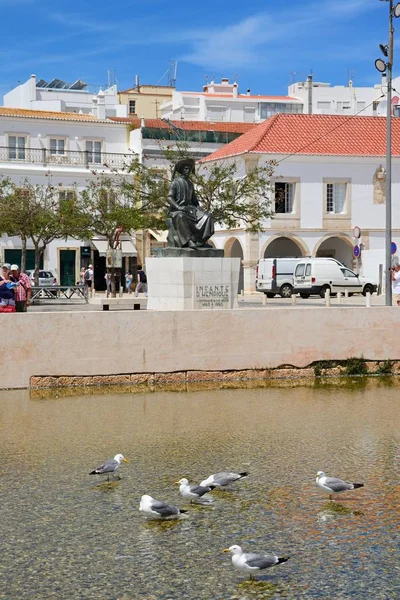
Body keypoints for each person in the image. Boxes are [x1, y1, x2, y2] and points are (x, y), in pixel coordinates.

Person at [166, 158, 214, 249]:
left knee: (208, 216)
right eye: (185, 168)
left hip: (190, 209)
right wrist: (178, 207)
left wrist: (199, 208)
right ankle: (188, 241)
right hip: (177, 210)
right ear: (181, 170)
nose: (187, 170)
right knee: (181, 216)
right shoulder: (176, 182)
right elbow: (169, 197)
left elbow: (194, 200)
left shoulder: (190, 184)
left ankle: (200, 241)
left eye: (189, 169)